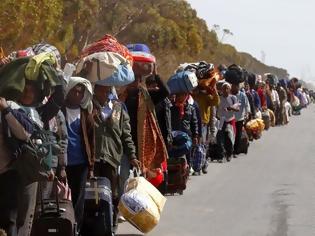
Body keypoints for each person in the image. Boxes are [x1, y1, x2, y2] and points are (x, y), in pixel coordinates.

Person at [92, 83, 140, 227]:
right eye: (101, 90)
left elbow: (126, 135)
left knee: (111, 194)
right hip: (93, 157)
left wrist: (132, 155)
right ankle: (92, 224)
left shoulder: (118, 108)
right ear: (95, 91)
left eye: (107, 90)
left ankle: (110, 224)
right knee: (92, 194)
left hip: (112, 158)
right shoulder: (89, 106)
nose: (105, 93)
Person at [63, 77, 94, 231]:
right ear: (68, 91)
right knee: (62, 197)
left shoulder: (85, 114)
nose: (77, 94)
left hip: (81, 164)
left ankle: (76, 229)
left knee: (78, 199)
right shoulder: (59, 111)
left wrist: (91, 165)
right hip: (63, 164)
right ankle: (64, 227)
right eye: (74, 90)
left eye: (80, 92)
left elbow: (92, 141)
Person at [0, 97, 34, 236]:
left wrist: (6, 110)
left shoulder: (11, 106)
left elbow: (25, 134)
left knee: (9, 221)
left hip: (8, 173)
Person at [170, 92, 199, 165]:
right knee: (175, 154)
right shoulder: (171, 108)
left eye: (181, 95)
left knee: (188, 154)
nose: (179, 97)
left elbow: (194, 123)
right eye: (178, 95)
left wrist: (195, 135)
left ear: (186, 96)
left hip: (187, 136)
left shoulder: (191, 108)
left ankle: (188, 168)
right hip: (175, 136)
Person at [216, 82, 239, 162]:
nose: (225, 90)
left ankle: (229, 154)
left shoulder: (233, 98)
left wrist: (230, 108)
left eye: (227, 88)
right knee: (219, 138)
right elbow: (216, 108)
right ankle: (221, 156)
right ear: (221, 90)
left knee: (229, 138)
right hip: (221, 120)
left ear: (229, 89)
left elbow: (237, 109)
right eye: (224, 88)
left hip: (230, 120)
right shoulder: (219, 98)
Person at [231, 83, 250, 157]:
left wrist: (247, 112)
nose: (234, 88)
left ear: (238, 87)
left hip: (239, 118)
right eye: (233, 86)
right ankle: (229, 150)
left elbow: (247, 105)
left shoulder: (242, 95)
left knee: (238, 135)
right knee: (230, 134)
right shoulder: (229, 94)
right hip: (230, 118)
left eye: (236, 86)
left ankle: (235, 151)